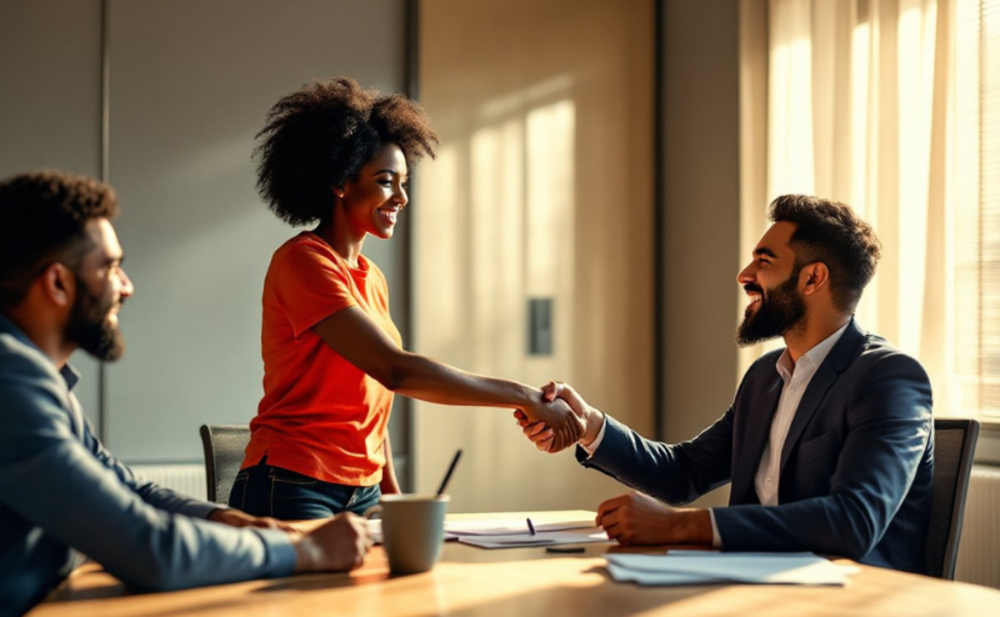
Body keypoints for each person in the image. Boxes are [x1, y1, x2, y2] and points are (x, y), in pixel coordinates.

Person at [0, 171, 373, 617]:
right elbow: (148, 549)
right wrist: (304, 553)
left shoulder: (36, 376)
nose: (126, 287)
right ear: (58, 283)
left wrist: (233, 520)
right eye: (110, 268)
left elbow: (122, 484)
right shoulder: (11, 383)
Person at [518, 195, 934, 573]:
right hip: (753, 585)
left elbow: (853, 522)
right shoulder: (765, 377)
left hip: (854, 599)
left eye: (764, 261)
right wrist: (589, 424)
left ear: (812, 279)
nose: (743, 275)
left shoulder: (889, 378)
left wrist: (682, 527)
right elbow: (684, 473)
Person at [231, 77, 582, 520]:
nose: (401, 197)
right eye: (386, 182)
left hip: (361, 490)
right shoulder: (303, 262)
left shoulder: (371, 277)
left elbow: (371, 396)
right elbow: (394, 369)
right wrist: (523, 396)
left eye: (404, 182)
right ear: (341, 182)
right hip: (293, 484)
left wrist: (390, 498)